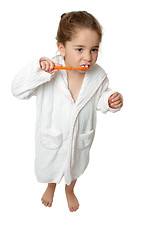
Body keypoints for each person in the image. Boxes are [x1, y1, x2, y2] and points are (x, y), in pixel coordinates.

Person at [11, 11, 123, 212]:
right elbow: (17, 90)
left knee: (75, 167)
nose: (88, 57)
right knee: (51, 165)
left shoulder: (98, 75)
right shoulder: (49, 71)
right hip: (52, 138)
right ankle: (50, 186)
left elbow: (101, 97)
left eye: (94, 49)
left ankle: (69, 190)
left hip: (80, 139)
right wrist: (38, 72)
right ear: (61, 48)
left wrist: (110, 100)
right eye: (79, 49)